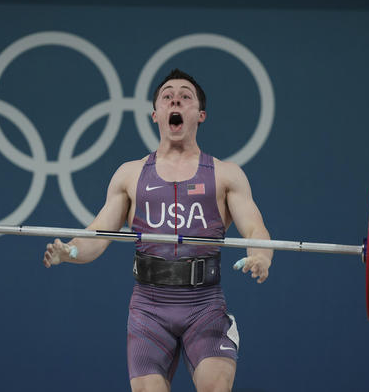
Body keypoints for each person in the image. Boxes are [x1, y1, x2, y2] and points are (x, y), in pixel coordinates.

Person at [43, 69, 272, 392]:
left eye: (185, 96)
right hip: (148, 309)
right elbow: (96, 234)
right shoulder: (130, 174)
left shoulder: (226, 175)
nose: (175, 98)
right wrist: (71, 250)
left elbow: (256, 229)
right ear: (156, 114)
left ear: (200, 115)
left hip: (204, 306)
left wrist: (261, 257)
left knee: (215, 386)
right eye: (167, 96)